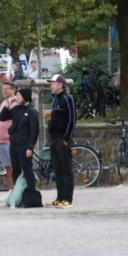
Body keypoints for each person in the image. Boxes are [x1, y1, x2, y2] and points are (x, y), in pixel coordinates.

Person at [47, 74, 77, 207]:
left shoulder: (67, 98)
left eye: (53, 83)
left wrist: (66, 138)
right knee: (57, 169)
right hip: (53, 139)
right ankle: (59, 197)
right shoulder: (55, 99)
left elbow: (72, 119)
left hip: (62, 138)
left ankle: (68, 199)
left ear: (60, 84)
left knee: (66, 169)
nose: (51, 85)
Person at [8, 87, 39, 197]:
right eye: (16, 95)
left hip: (24, 145)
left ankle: (31, 194)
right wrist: (8, 104)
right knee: (15, 170)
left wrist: (30, 147)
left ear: (25, 97)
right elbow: (2, 117)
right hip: (13, 144)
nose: (16, 97)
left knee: (27, 170)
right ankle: (18, 194)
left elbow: (34, 131)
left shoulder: (31, 111)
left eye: (19, 95)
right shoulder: (16, 109)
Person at [0, 82, 16, 190]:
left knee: (13, 167)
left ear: (13, 90)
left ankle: (16, 190)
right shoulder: (4, 102)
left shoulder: (15, 102)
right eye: (3, 88)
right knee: (7, 168)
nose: (4, 91)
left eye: (6, 89)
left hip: (10, 140)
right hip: (1, 140)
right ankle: (10, 190)